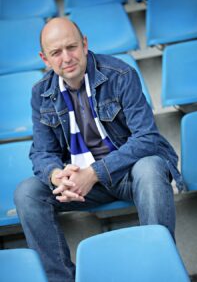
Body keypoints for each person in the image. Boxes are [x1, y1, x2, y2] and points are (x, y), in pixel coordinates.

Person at [14, 17, 185, 282]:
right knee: (27, 192)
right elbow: (41, 153)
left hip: (128, 174)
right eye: (56, 53)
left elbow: (147, 138)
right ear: (45, 59)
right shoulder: (40, 93)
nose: (67, 58)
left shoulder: (120, 74)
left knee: (151, 168)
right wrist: (57, 176)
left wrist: (94, 173)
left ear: (84, 44)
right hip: (82, 187)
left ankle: (158, 269)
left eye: (72, 47)